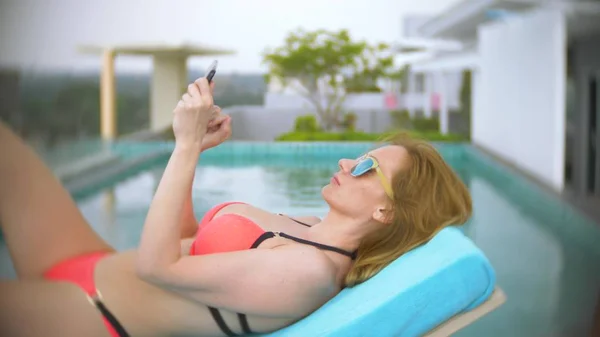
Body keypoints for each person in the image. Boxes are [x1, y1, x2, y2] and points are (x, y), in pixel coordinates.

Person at [0, 77, 472, 337]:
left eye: (368, 166)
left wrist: (184, 146)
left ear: (386, 213)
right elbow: (184, 240)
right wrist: (196, 151)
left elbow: (155, 266)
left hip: (90, 315)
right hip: (93, 262)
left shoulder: (306, 273)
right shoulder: (307, 226)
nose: (350, 161)